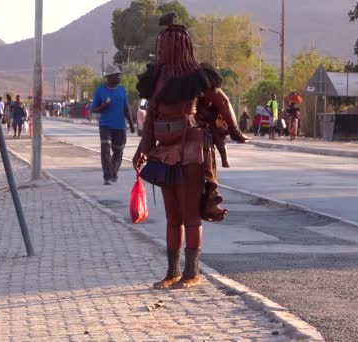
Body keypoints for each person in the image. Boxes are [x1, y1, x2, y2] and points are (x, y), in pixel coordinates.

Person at [133, 13, 248, 290]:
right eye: (161, 44)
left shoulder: (197, 77)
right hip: (165, 152)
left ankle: (192, 273)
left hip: (191, 150)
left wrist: (234, 131)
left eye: (167, 44)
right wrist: (142, 149)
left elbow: (222, 100)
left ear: (179, 46)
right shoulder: (157, 78)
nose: (162, 49)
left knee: (189, 215)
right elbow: (150, 119)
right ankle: (172, 272)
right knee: (173, 216)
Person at [92, 64, 135, 185]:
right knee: (105, 150)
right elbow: (93, 109)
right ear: (109, 77)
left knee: (118, 151)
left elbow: (126, 108)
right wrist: (103, 107)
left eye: (119, 76)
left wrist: (131, 124)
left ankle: (114, 172)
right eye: (117, 76)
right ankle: (107, 176)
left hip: (120, 127)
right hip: (105, 126)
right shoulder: (100, 91)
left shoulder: (121, 90)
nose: (119, 78)